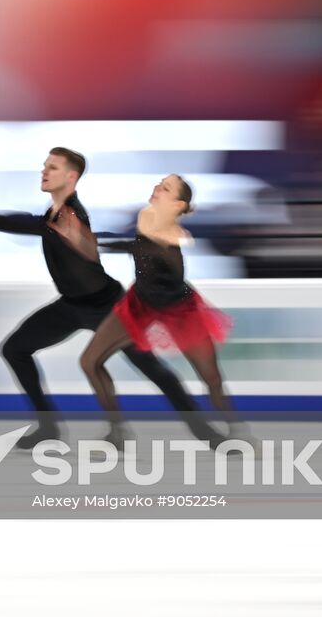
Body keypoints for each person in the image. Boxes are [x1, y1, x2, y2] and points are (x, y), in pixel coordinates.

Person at [0, 148, 221, 449]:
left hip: (109, 306)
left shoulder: (72, 213)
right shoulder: (54, 216)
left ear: (71, 176)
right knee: (14, 349)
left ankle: (206, 433)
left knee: (154, 371)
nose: (44, 171)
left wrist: (83, 242)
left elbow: (85, 243)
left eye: (52, 167)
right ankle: (48, 428)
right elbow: (28, 223)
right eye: (44, 166)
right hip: (71, 306)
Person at [50, 173, 244, 448]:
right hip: (140, 303)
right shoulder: (146, 215)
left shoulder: (175, 241)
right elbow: (130, 246)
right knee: (89, 361)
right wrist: (80, 238)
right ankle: (117, 433)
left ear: (177, 205)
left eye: (165, 188)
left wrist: (90, 240)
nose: (156, 188)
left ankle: (238, 430)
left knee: (211, 378)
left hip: (179, 309)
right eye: (160, 183)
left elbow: (144, 253)